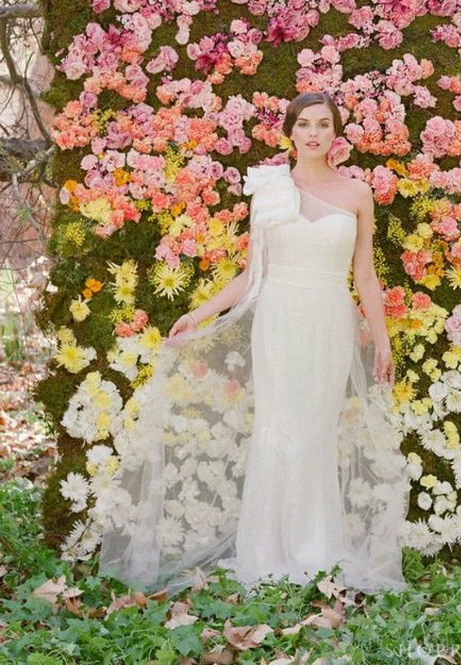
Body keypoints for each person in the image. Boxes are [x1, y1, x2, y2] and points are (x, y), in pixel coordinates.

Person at [99, 92, 409, 593]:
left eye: (323, 124)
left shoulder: (356, 194)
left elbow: (367, 276)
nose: (312, 133)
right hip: (279, 319)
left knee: (315, 430)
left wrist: (382, 338)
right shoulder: (269, 190)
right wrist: (199, 312)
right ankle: (265, 552)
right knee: (277, 429)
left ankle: (317, 552)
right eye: (304, 124)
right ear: (290, 131)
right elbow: (252, 274)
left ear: (335, 133)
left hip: (329, 320)